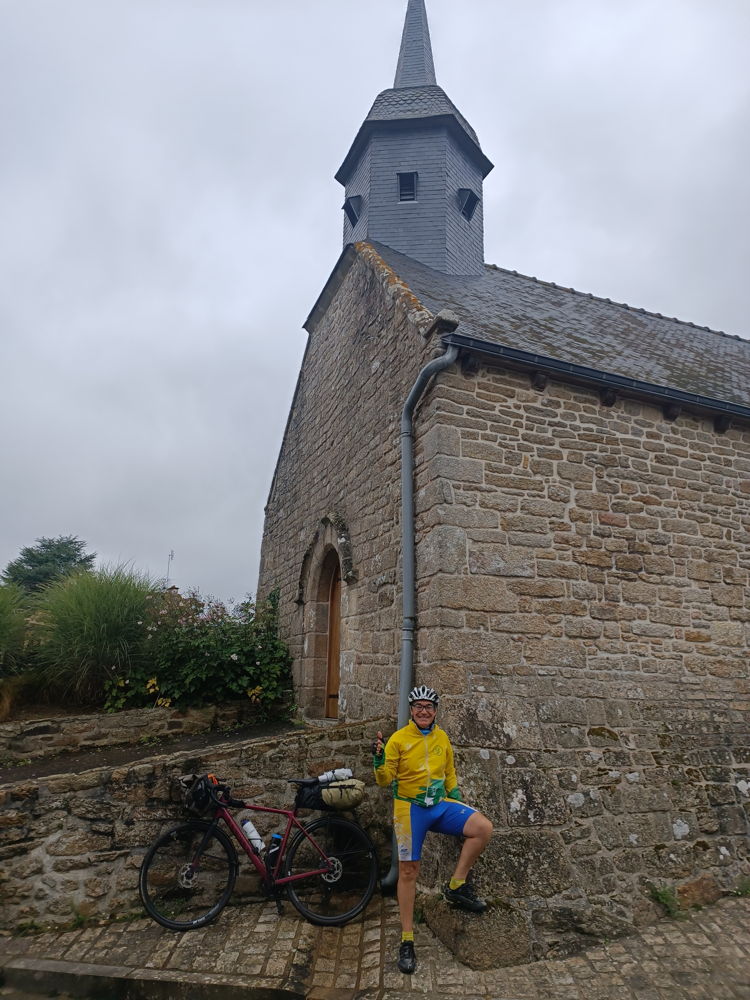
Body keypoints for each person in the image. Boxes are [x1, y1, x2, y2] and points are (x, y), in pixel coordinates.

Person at [373, 685, 493, 975]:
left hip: (439, 805)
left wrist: (457, 798)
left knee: (482, 827)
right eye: (418, 706)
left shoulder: (442, 737)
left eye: (429, 707)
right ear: (411, 710)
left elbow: (449, 771)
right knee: (408, 871)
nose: (423, 711)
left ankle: (456, 886)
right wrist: (378, 760)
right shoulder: (399, 739)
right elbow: (384, 780)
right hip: (409, 809)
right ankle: (407, 939)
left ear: (436, 711)